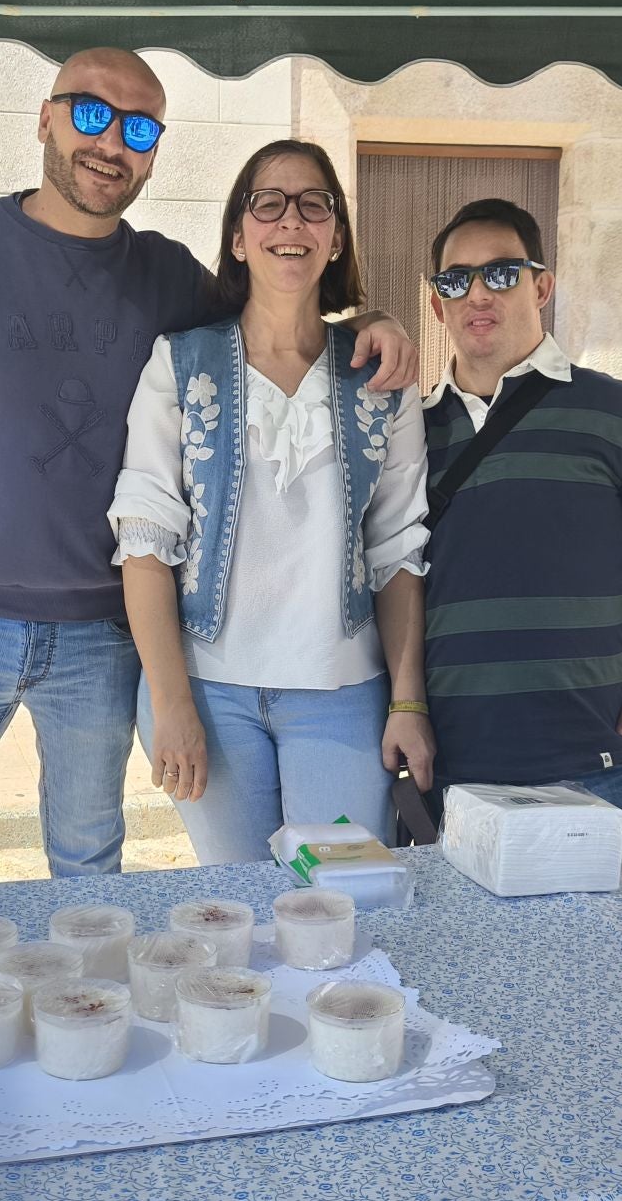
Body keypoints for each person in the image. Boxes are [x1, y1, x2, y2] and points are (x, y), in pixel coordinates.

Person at [0, 49, 417, 892]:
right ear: (45, 118)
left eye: (139, 127)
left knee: (90, 873)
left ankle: (85, 1019)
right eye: (90, 114)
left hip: (101, 642)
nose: (111, 141)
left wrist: (377, 318)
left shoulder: (163, 278)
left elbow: (278, 301)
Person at [108, 141, 433, 863]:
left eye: (315, 204)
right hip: (209, 693)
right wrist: (172, 703)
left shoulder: (381, 376)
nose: (293, 220)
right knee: (242, 913)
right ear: (237, 235)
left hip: (342, 693)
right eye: (269, 203)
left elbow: (399, 550)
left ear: (336, 235)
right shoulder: (179, 362)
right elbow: (144, 542)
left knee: (337, 910)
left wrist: (408, 703)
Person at [417, 198, 622, 834]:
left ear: (543, 286)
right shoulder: (404, 432)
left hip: (591, 757)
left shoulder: (621, 413)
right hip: (450, 759)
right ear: (437, 300)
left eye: (500, 273)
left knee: (608, 936)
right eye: (456, 279)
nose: (477, 294)